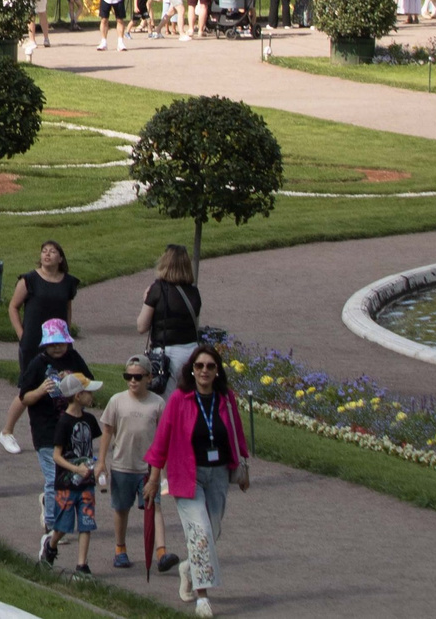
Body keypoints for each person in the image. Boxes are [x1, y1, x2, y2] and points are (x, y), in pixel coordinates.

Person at [143, 343, 247, 616]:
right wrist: (154, 479)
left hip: (219, 474)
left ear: (217, 371)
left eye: (210, 366)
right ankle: (203, 596)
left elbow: (236, 431)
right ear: (192, 369)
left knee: (212, 532)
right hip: (188, 475)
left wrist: (242, 465)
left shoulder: (226, 398)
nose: (204, 371)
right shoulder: (180, 399)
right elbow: (161, 439)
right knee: (200, 534)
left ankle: (189, 569)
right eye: (199, 366)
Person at [14, 317, 98, 561]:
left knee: (69, 478)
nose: (58, 348)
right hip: (46, 429)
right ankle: (52, 525)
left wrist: (72, 379)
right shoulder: (38, 364)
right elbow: (24, 397)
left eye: (62, 343)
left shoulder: (74, 359)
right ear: (45, 345)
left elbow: (90, 384)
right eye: (53, 344)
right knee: (54, 477)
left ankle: (53, 510)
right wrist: (41, 389)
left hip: (71, 429)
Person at [0, 240, 81, 449]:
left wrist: (67, 334)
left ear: (60, 258)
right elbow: (13, 307)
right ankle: (7, 430)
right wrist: (22, 334)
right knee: (29, 386)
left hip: (60, 342)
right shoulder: (30, 280)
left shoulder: (68, 283)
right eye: (44, 251)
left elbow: (67, 309)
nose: (47, 255)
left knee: (64, 385)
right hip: (34, 341)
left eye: (52, 252)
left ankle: (63, 431)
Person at [99, 356, 173, 573]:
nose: (132, 381)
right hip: (122, 465)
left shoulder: (157, 403)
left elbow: (163, 438)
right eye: (128, 377)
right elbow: (107, 431)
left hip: (148, 470)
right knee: (121, 509)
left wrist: (164, 473)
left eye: (138, 377)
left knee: (155, 507)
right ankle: (120, 549)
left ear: (149, 378)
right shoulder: (116, 401)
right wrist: (101, 461)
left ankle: (161, 552)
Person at [48, 379, 103, 576]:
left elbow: (91, 449)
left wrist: (98, 467)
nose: (92, 396)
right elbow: (56, 456)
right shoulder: (64, 422)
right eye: (88, 392)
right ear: (78, 396)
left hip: (86, 482)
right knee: (63, 525)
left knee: (86, 523)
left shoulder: (89, 420)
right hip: (66, 484)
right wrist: (75, 469)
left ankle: (82, 565)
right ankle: (51, 544)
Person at [136, 243, 204, 392]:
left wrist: (146, 299)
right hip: (192, 351)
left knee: (166, 404)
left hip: (167, 354)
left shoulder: (158, 289)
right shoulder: (194, 292)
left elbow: (141, 326)